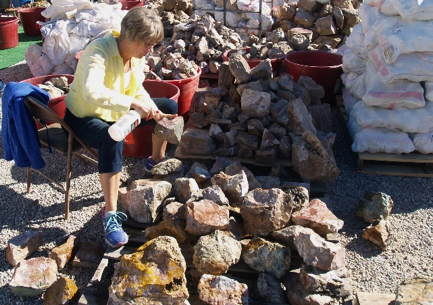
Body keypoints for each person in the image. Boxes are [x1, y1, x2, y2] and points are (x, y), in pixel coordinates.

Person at [64, 7, 178, 248]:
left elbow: (137, 89)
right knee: (111, 137)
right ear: (131, 36)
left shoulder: (135, 57)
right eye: (148, 44)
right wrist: (132, 103)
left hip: (116, 110)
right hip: (85, 115)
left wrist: (153, 111)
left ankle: (155, 161)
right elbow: (92, 92)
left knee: (167, 105)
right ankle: (111, 214)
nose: (151, 50)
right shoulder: (99, 50)